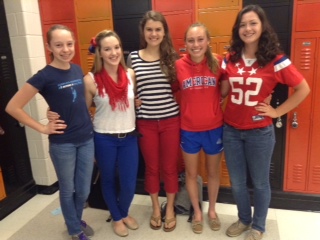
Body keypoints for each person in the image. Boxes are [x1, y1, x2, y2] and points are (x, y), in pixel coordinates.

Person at [221, 5, 310, 240]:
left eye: (253, 23)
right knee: (237, 182)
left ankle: (258, 226)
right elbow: (222, 89)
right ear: (237, 29)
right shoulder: (230, 57)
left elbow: (303, 89)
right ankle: (243, 219)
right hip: (230, 130)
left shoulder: (275, 59)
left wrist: (276, 111)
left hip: (259, 132)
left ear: (262, 27)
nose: (247, 28)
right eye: (243, 24)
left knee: (260, 183)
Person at [5, 25, 95, 240]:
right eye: (59, 45)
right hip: (63, 143)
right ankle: (74, 229)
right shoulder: (44, 76)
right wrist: (43, 127)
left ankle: (74, 217)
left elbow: (74, 99)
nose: (65, 49)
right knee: (67, 189)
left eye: (69, 44)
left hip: (86, 139)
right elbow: (12, 107)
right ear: (49, 47)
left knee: (83, 190)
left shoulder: (75, 69)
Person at [127, 10, 180, 232]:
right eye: (149, 29)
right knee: (151, 168)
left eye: (158, 29)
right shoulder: (133, 57)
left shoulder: (173, 58)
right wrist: (134, 100)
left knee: (169, 167)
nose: (154, 33)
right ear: (143, 31)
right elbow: (129, 90)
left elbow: (180, 89)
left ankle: (170, 210)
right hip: (146, 122)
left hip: (170, 121)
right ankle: (156, 208)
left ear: (164, 32)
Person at [172, 22, 227, 234]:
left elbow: (227, 87)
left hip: (214, 128)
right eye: (191, 40)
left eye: (200, 39)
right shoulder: (178, 66)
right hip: (189, 130)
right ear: (185, 43)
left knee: (213, 173)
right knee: (192, 174)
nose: (196, 44)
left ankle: (212, 210)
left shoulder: (218, 63)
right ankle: (196, 212)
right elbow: (171, 90)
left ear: (208, 41)